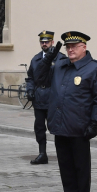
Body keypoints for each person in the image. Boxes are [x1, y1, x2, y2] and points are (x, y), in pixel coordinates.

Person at [46, 31, 97, 192]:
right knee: (65, 166)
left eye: (74, 46)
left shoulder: (95, 68)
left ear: (84, 47)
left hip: (79, 127)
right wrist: (47, 60)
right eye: (67, 47)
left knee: (80, 168)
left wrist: (94, 123)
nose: (70, 49)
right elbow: (41, 80)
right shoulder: (60, 66)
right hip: (60, 125)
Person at [25, 30, 65, 164]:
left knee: (57, 127)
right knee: (39, 127)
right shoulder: (36, 59)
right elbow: (30, 78)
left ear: (52, 42)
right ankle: (42, 153)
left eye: (47, 41)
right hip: (39, 98)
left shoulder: (60, 58)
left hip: (54, 98)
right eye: (42, 42)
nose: (44, 44)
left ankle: (63, 154)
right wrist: (30, 91)